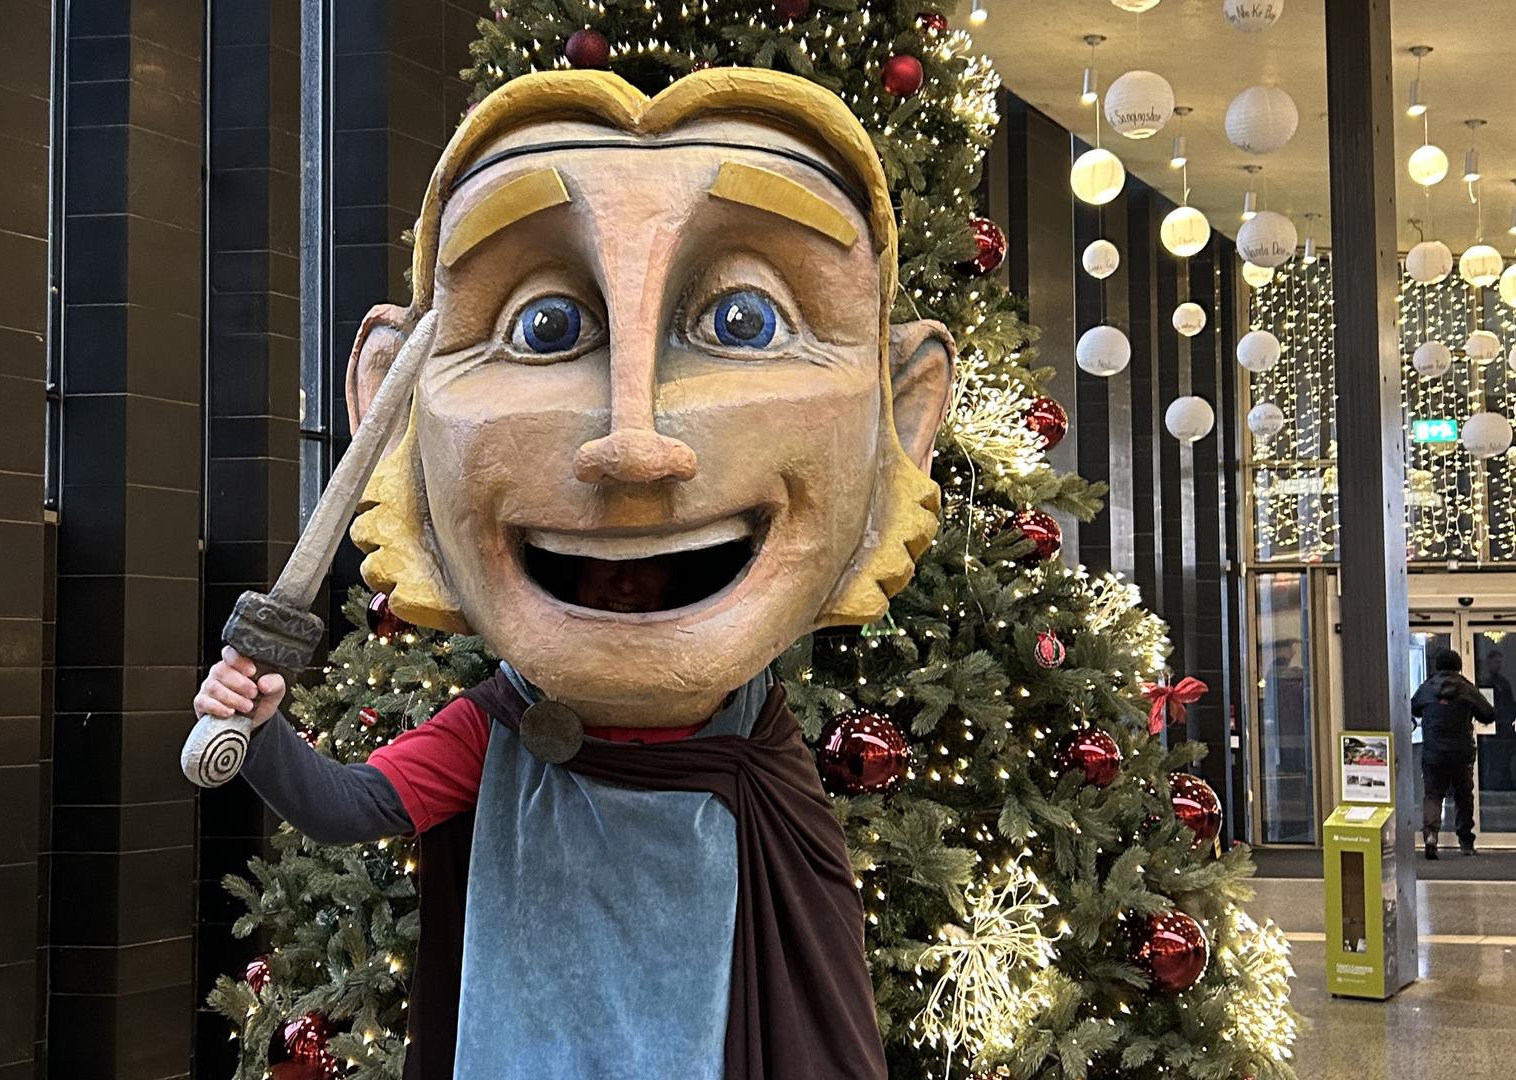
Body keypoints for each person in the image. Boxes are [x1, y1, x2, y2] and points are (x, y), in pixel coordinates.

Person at [195, 66, 952, 1080]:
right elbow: (353, 809)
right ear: (399, 418)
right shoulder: (493, 734)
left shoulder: (759, 761)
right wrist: (257, 727)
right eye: (544, 328)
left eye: (746, 321)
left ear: (899, 422)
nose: (632, 447)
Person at [1410, 650, 1496, 858]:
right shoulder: (1466, 688)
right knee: (1463, 795)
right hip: (1460, 751)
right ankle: (1466, 842)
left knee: (1433, 794)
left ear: (1437, 666)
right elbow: (1489, 714)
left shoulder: (1426, 688)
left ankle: (1431, 835)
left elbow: (1414, 709)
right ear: (1458, 666)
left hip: (1433, 752)